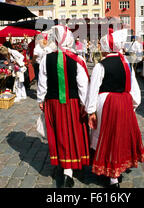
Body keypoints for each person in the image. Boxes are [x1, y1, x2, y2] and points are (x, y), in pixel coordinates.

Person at [86, 28, 144, 188]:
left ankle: (111, 175)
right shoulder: (127, 63)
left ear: (105, 47)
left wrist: (90, 110)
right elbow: (134, 88)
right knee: (119, 136)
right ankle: (117, 171)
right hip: (124, 102)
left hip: (106, 103)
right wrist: (132, 106)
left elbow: (93, 89)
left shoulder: (101, 66)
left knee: (106, 137)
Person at [37, 25, 91, 188]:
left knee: (59, 132)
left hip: (53, 103)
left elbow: (42, 82)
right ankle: (69, 170)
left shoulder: (46, 58)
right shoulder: (78, 60)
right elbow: (83, 86)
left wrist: (40, 99)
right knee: (72, 132)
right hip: (73, 103)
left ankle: (63, 165)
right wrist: (85, 104)